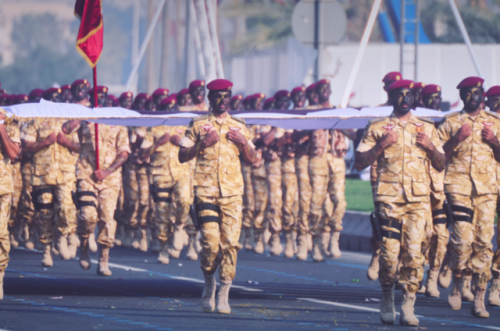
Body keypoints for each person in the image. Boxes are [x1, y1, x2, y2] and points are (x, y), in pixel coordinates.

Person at [354, 79, 445, 326]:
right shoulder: (377, 127)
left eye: (410, 94)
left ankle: (408, 303)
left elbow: (441, 164)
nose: (406, 98)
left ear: (415, 98)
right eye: (400, 95)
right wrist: (382, 144)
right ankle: (386, 296)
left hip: (418, 201)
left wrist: (429, 147)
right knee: (390, 255)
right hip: (390, 200)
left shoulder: (427, 128)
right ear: (392, 98)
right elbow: (359, 162)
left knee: (415, 255)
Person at [178, 79, 255, 314]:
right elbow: (182, 155)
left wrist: (243, 143)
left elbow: (253, 158)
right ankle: (209, 284)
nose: (223, 100)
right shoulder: (198, 124)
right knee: (211, 245)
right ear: (210, 99)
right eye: (218, 96)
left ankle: (224, 293)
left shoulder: (240, 126)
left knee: (231, 244)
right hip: (206, 191)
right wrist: (203, 143)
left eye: (226, 96)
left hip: (232, 193)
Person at [438, 76, 499, 318]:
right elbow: (437, 156)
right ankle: (457, 283)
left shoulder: (495, 123)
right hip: (459, 187)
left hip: (486, 190)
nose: (472, 97)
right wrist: (457, 138)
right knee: (462, 240)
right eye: (467, 93)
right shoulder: (450, 122)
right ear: (461, 96)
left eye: (476, 93)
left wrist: (494, 142)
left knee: (484, 242)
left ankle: (480, 297)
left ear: (483, 95)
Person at [63, 117, 130, 276]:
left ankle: (103, 259)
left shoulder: (118, 123)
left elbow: (124, 153)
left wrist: (107, 171)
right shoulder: (84, 121)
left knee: (107, 219)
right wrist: (81, 115)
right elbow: (64, 130)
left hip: (110, 178)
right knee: (88, 215)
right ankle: (84, 242)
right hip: (87, 175)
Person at [21, 114, 81, 265]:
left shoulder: (69, 122)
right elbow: (26, 146)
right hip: (43, 175)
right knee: (45, 213)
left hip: (65, 173)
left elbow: (80, 147)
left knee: (66, 208)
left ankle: (62, 237)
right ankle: (47, 251)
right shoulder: (35, 121)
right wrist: (46, 142)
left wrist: (66, 142)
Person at [367, 71, 404, 281]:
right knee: (383, 218)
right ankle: (378, 252)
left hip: (408, 175)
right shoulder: (378, 114)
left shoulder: (412, 114)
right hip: (381, 172)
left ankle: (399, 265)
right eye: (392, 86)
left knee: (407, 221)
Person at [419, 84, 448, 298]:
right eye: (430, 98)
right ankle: (417, 273)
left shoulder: (447, 122)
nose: (435, 101)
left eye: (438, 98)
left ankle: (433, 276)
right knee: (421, 235)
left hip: (441, 188)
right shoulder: (417, 123)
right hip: (419, 189)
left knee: (441, 235)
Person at [0, 109, 21, 299]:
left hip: (1, 186)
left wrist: (0, 127)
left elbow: (14, 153)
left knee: (0, 233)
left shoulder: (9, 121)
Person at [486, 85, 500, 307]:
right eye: (495, 100)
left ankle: (496, 282)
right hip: (483, 187)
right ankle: (465, 278)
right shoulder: (479, 123)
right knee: (478, 238)